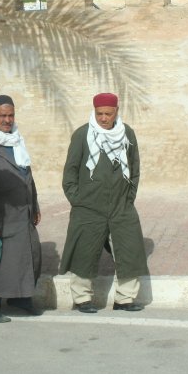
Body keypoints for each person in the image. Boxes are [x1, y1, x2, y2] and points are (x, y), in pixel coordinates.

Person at [59, 93, 148, 313]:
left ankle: (125, 299)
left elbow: (134, 170)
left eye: (108, 113)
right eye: (100, 113)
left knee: (130, 250)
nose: (104, 118)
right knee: (84, 252)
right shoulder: (82, 135)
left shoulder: (127, 134)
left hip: (121, 206)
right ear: (94, 111)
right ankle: (82, 299)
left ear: (116, 111)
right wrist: (77, 200)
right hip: (88, 207)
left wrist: (128, 198)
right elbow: (70, 173)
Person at [0, 95, 42, 323]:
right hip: (0, 217)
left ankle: (20, 298)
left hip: (22, 214)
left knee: (25, 256)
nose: (7, 120)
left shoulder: (16, 140)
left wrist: (35, 205)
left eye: (10, 115)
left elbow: (27, 177)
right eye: (2, 115)